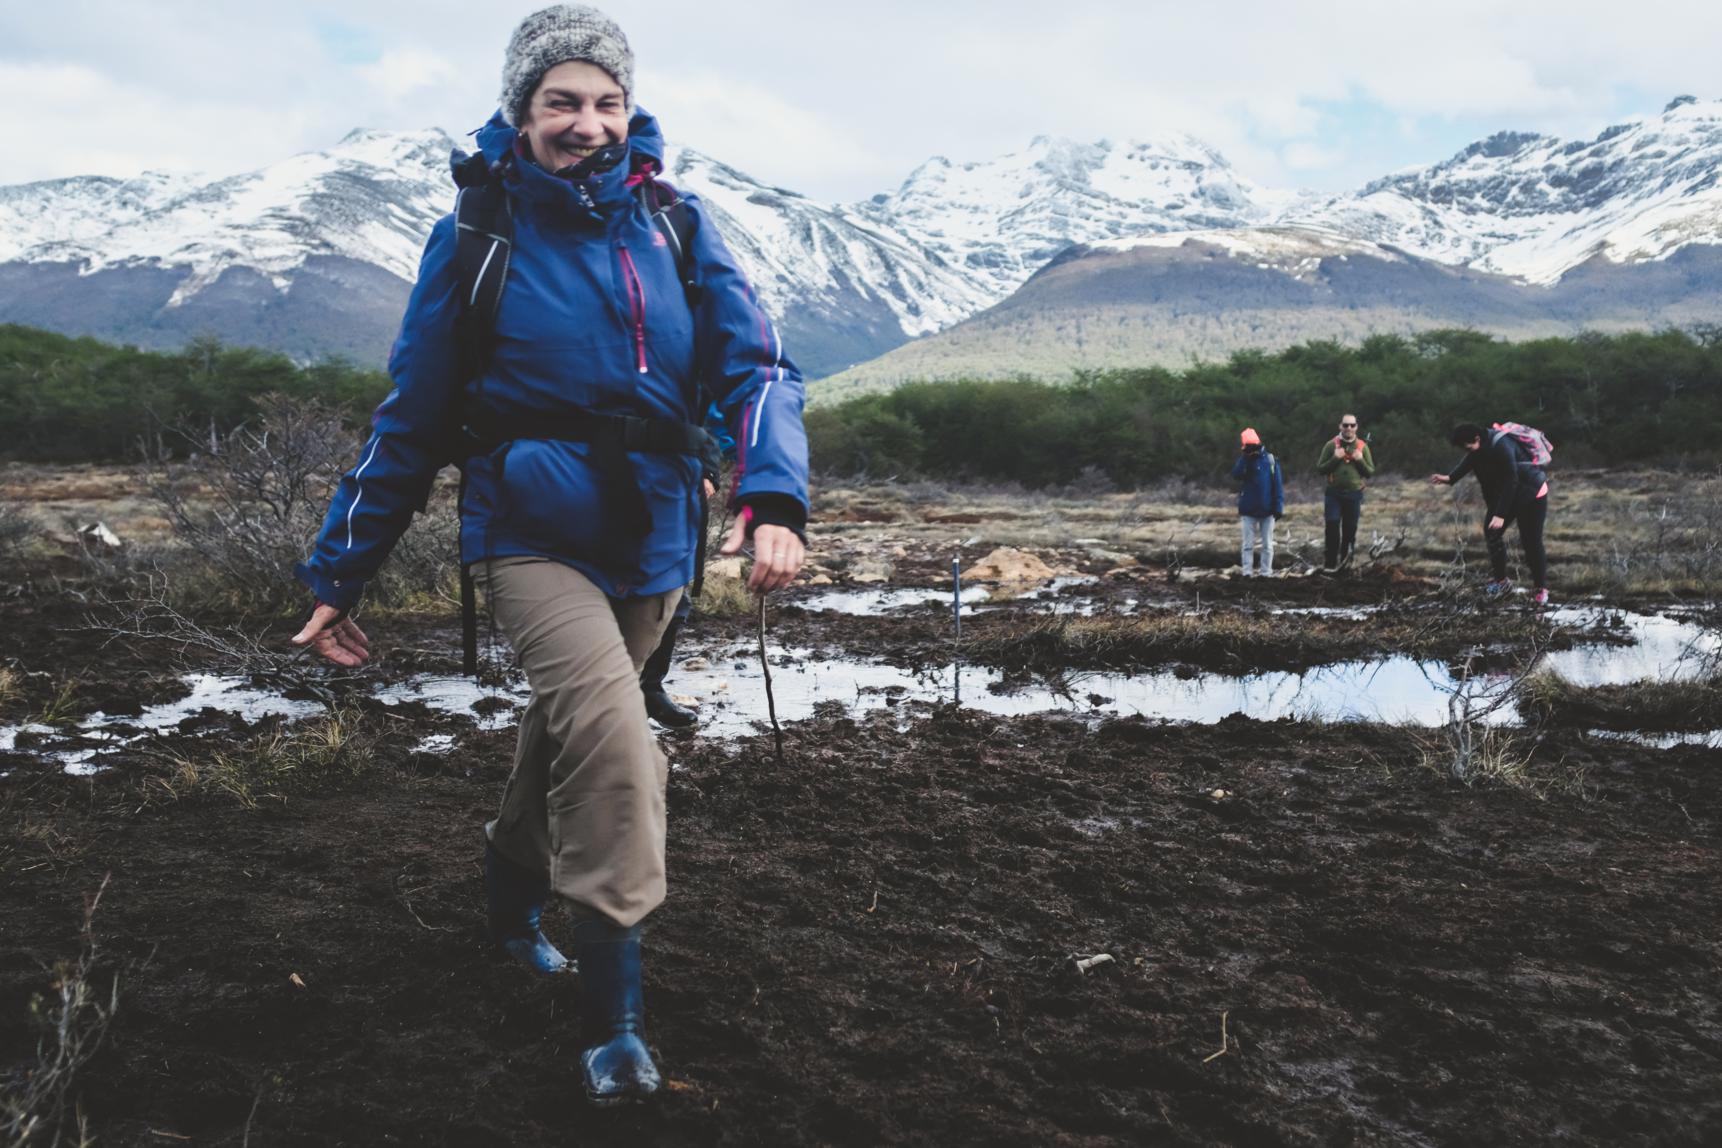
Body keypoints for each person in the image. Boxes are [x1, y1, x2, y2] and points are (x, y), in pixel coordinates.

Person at [288, 4, 809, 1104]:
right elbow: (412, 417)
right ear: (521, 111)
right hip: (531, 532)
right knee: (620, 742)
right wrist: (340, 572)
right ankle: (612, 1022)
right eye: (562, 101)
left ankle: (506, 896)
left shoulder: (677, 225)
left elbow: (759, 367)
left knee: (569, 725)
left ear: (631, 109)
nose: (587, 123)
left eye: (607, 101)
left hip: (657, 533)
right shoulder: (478, 237)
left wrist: (772, 497)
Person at [639, 404, 734, 728]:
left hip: (676, 494)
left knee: (674, 594)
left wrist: (708, 471)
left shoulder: (687, 366)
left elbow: (712, 423)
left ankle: (649, 688)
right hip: (601, 485)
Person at [1430, 423, 1549, 606]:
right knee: (1491, 532)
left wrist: (1500, 515)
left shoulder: (1501, 446)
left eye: (1466, 446)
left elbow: (1512, 480)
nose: (1466, 450)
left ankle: (1541, 590)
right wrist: (1450, 478)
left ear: (1477, 439)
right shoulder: (1479, 448)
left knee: (1531, 540)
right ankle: (1501, 583)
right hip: (1509, 493)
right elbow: (1469, 460)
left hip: (1532, 492)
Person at [1316, 413, 1374, 571]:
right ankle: (1329, 566)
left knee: (1350, 531)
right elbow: (1320, 469)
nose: (1349, 428)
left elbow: (1370, 472)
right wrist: (1335, 458)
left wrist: (1359, 459)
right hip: (1334, 494)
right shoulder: (1330, 445)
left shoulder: (1362, 446)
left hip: (1354, 495)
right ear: (1340, 426)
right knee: (1332, 528)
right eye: (1346, 425)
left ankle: (1346, 566)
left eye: (1352, 425)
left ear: (1356, 427)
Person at [1230, 427, 1283, 577]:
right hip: (1248, 510)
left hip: (1267, 510)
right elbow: (1236, 475)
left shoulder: (1270, 460)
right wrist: (1245, 458)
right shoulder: (1245, 461)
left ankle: (1266, 573)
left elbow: (1277, 485)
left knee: (1267, 545)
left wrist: (1278, 507)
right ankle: (1247, 573)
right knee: (1247, 545)